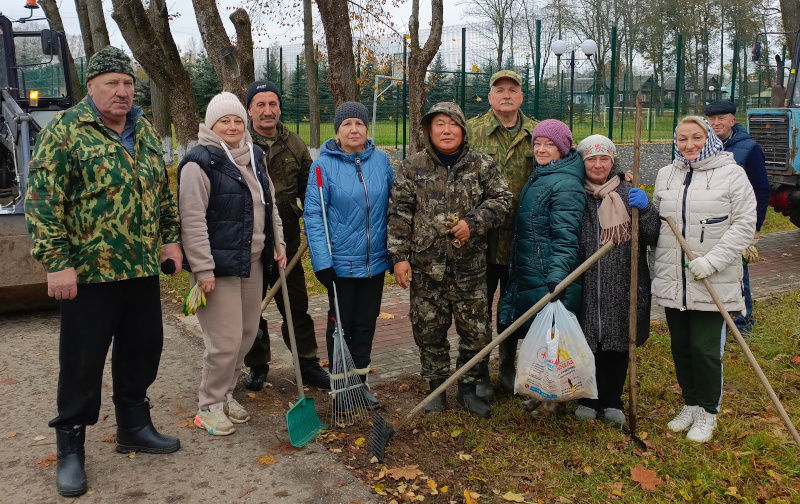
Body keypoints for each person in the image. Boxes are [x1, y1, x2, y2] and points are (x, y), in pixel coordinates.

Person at [25, 46, 182, 497]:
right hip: (89, 275)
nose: (122, 91)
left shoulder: (145, 130)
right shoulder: (66, 132)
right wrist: (57, 264)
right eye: (112, 83)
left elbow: (161, 194)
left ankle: (134, 425)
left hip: (139, 270)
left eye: (128, 83)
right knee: (82, 362)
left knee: (143, 349)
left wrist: (170, 240)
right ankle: (71, 448)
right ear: (91, 87)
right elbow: (42, 202)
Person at [388, 102, 512, 419]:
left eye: (452, 124)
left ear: (462, 129)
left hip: (470, 270)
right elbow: (399, 214)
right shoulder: (412, 168)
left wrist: (475, 222)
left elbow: (503, 200)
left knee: (476, 333)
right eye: (439, 124)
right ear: (429, 130)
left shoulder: (483, 165)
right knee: (429, 332)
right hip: (427, 270)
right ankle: (436, 389)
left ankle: (468, 390)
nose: (446, 130)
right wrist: (400, 258)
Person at [178, 92, 286, 436]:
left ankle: (225, 395)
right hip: (218, 268)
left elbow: (270, 206)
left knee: (244, 336)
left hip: (252, 261)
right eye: (224, 120)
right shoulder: (199, 162)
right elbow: (192, 219)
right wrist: (202, 269)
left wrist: (278, 241)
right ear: (211, 125)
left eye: (238, 119)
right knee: (223, 341)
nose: (233, 125)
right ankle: (208, 405)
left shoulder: (254, 156)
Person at [652, 116, 755, 443]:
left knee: (705, 349)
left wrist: (710, 262)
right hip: (674, 279)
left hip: (713, 280)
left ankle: (708, 412)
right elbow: (657, 226)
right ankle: (690, 404)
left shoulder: (732, 174)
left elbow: (743, 226)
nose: (689, 145)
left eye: (696, 137)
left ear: (709, 138)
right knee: (681, 348)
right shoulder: (666, 174)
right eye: (682, 139)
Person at [303, 102, 393, 412]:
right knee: (341, 325)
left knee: (366, 323)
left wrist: (394, 252)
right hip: (340, 265)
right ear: (337, 131)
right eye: (346, 124)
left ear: (367, 129)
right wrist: (322, 262)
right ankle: (341, 387)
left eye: (359, 123)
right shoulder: (322, 167)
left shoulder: (381, 161)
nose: (353, 129)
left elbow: (394, 208)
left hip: (375, 262)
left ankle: (360, 383)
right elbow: (314, 217)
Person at [242, 80, 330, 391]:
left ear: (279, 108)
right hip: (249, 242)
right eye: (260, 105)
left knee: (296, 305)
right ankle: (257, 364)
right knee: (252, 307)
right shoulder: (238, 142)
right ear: (250, 109)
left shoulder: (294, 143)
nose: (268, 111)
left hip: (287, 242)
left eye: (273, 104)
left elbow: (309, 190)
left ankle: (307, 363)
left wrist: (315, 220)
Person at [498, 119, 586, 417]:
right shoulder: (543, 175)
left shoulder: (566, 183)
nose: (541, 148)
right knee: (544, 337)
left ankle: (554, 399)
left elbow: (566, 236)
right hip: (532, 269)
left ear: (562, 148)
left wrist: (557, 276)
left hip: (550, 273)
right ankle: (541, 392)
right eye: (537, 143)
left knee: (554, 338)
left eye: (549, 144)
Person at [574, 135, 659, 424]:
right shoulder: (576, 195)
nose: (598, 165)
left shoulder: (627, 192)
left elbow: (651, 235)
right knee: (588, 343)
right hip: (585, 282)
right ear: (583, 162)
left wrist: (646, 209)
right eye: (591, 159)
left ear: (612, 161)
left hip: (623, 282)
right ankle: (587, 398)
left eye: (604, 159)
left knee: (618, 342)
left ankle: (612, 400)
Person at [466, 70, 537, 401]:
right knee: (476, 306)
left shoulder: (538, 133)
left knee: (512, 307)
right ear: (490, 97)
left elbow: (571, 164)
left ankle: (507, 366)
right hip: (480, 237)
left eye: (513, 90)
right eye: (500, 90)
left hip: (521, 239)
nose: (506, 95)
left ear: (521, 97)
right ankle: (478, 371)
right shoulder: (471, 131)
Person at [704, 100, 770, 334]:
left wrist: (755, 226)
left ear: (733, 120)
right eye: (712, 119)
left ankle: (743, 322)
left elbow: (761, 189)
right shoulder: (704, 147)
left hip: (737, 222)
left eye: (721, 118)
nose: (716, 123)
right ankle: (716, 317)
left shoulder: (749, 149)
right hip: (710, 223)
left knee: (739, 272)